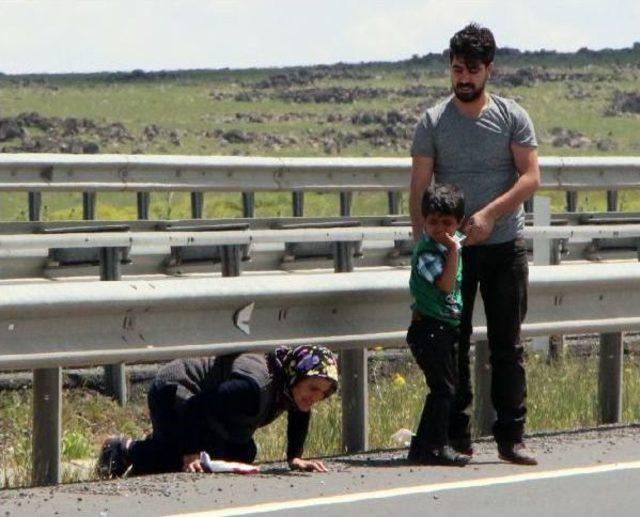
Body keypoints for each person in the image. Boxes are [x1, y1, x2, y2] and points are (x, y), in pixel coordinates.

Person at [409, 23, 541, 465]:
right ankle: (456, 435)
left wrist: (490, 214)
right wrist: (424, 249)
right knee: (453, 339)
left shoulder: (512, 117)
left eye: (472, 70)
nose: (463, 78)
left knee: (508, 342)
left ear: (489, 70)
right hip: (452, 254)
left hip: (504, 245)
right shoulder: (432, 122)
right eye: (457, 69)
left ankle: (511, 436)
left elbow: (530, 177)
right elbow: (419, 188)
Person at [97, 345, 339, 477]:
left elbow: (300, 411)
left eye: (323, 393)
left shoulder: (290, 386)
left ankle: (161, 447)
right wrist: (190, 452)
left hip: (207, 410)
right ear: (296, 376)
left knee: (242, 453)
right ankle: (124, 449)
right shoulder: (252, 387)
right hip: (176, 390)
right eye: (313, 388)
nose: (315, 398)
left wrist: (294, 457)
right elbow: (196, 406)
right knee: (188, 463)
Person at [407, 183, 470, 466]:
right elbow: (445, 286)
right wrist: (454, 251)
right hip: (429, 328)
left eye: (447, 222)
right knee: (443, 389)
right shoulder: (429, 252)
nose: (440, 228)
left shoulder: (450, 246)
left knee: (446, 388)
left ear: (458, 223)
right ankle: (434, 446)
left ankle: (424, 446)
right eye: (433, 222)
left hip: (445, 326)